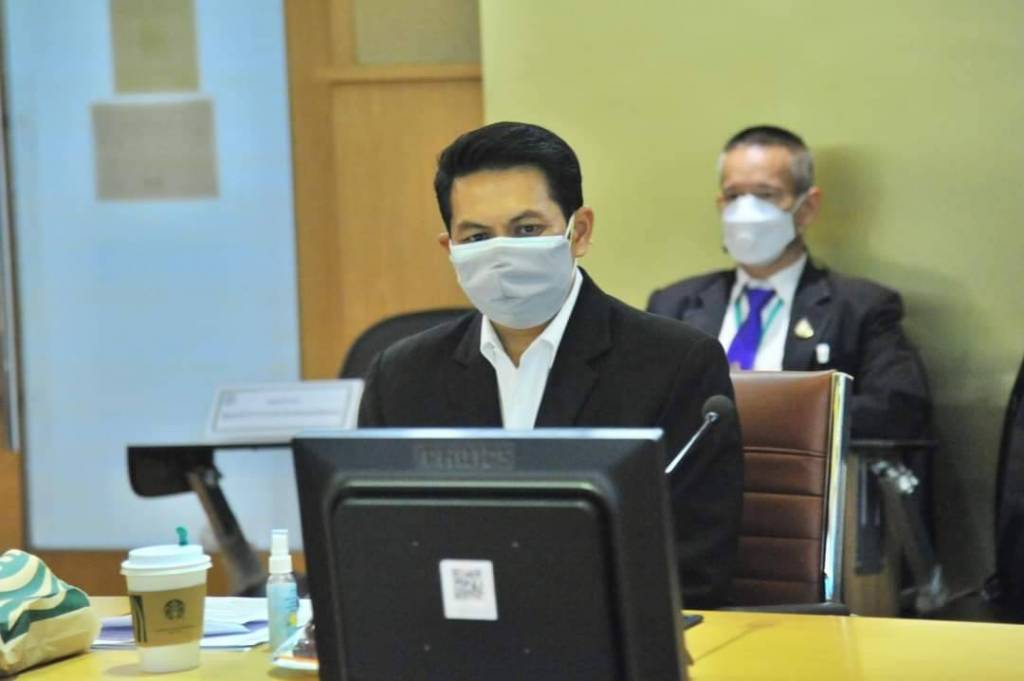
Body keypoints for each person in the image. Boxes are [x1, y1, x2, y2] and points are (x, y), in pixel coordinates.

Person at [358, 122, 743, 608]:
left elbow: (696, 570)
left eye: (527, 230)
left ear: (578, 232)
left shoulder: (676, 363)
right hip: (448, 633)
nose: (501, 253)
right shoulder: (401, 376)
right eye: (477, 236)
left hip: (608, 633)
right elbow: (376, 550)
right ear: (449, 248)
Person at [648, 125, 932, 440]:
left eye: (765, 195)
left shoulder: (860, 308)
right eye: (733, 196)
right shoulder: (674, 305)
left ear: (807, 208)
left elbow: (898, 411)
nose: (746, 211)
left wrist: (771, 413)